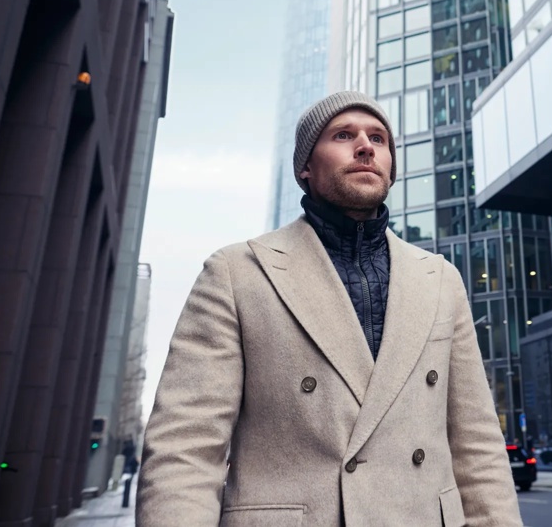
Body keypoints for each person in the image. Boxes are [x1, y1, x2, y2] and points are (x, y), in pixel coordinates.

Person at [136, 91, 522, 526]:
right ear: (306, 166)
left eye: (378, 138)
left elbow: (477, 445)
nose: (365, 147)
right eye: (343, 135)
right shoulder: (237, 272)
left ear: (390, 167)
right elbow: (186, 449)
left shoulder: (440, 279)